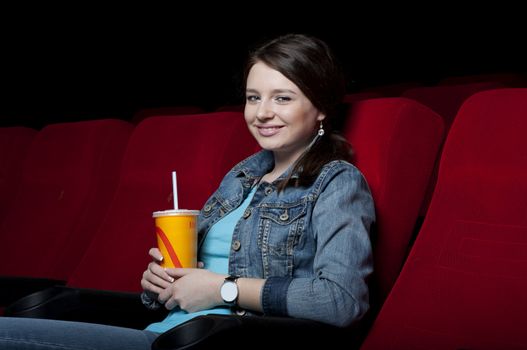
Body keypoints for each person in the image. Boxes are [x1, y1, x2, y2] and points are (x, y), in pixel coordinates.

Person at [0, 33, 375, 350]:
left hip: (210, 341)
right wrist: (159, 283)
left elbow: (340, 300)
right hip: (161, 330)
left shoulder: (337, 182)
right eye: (253, 97)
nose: (261, 112)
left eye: (282, 97)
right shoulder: (242, 175)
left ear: (321, 107)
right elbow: (189, 280)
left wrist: (223, 291)